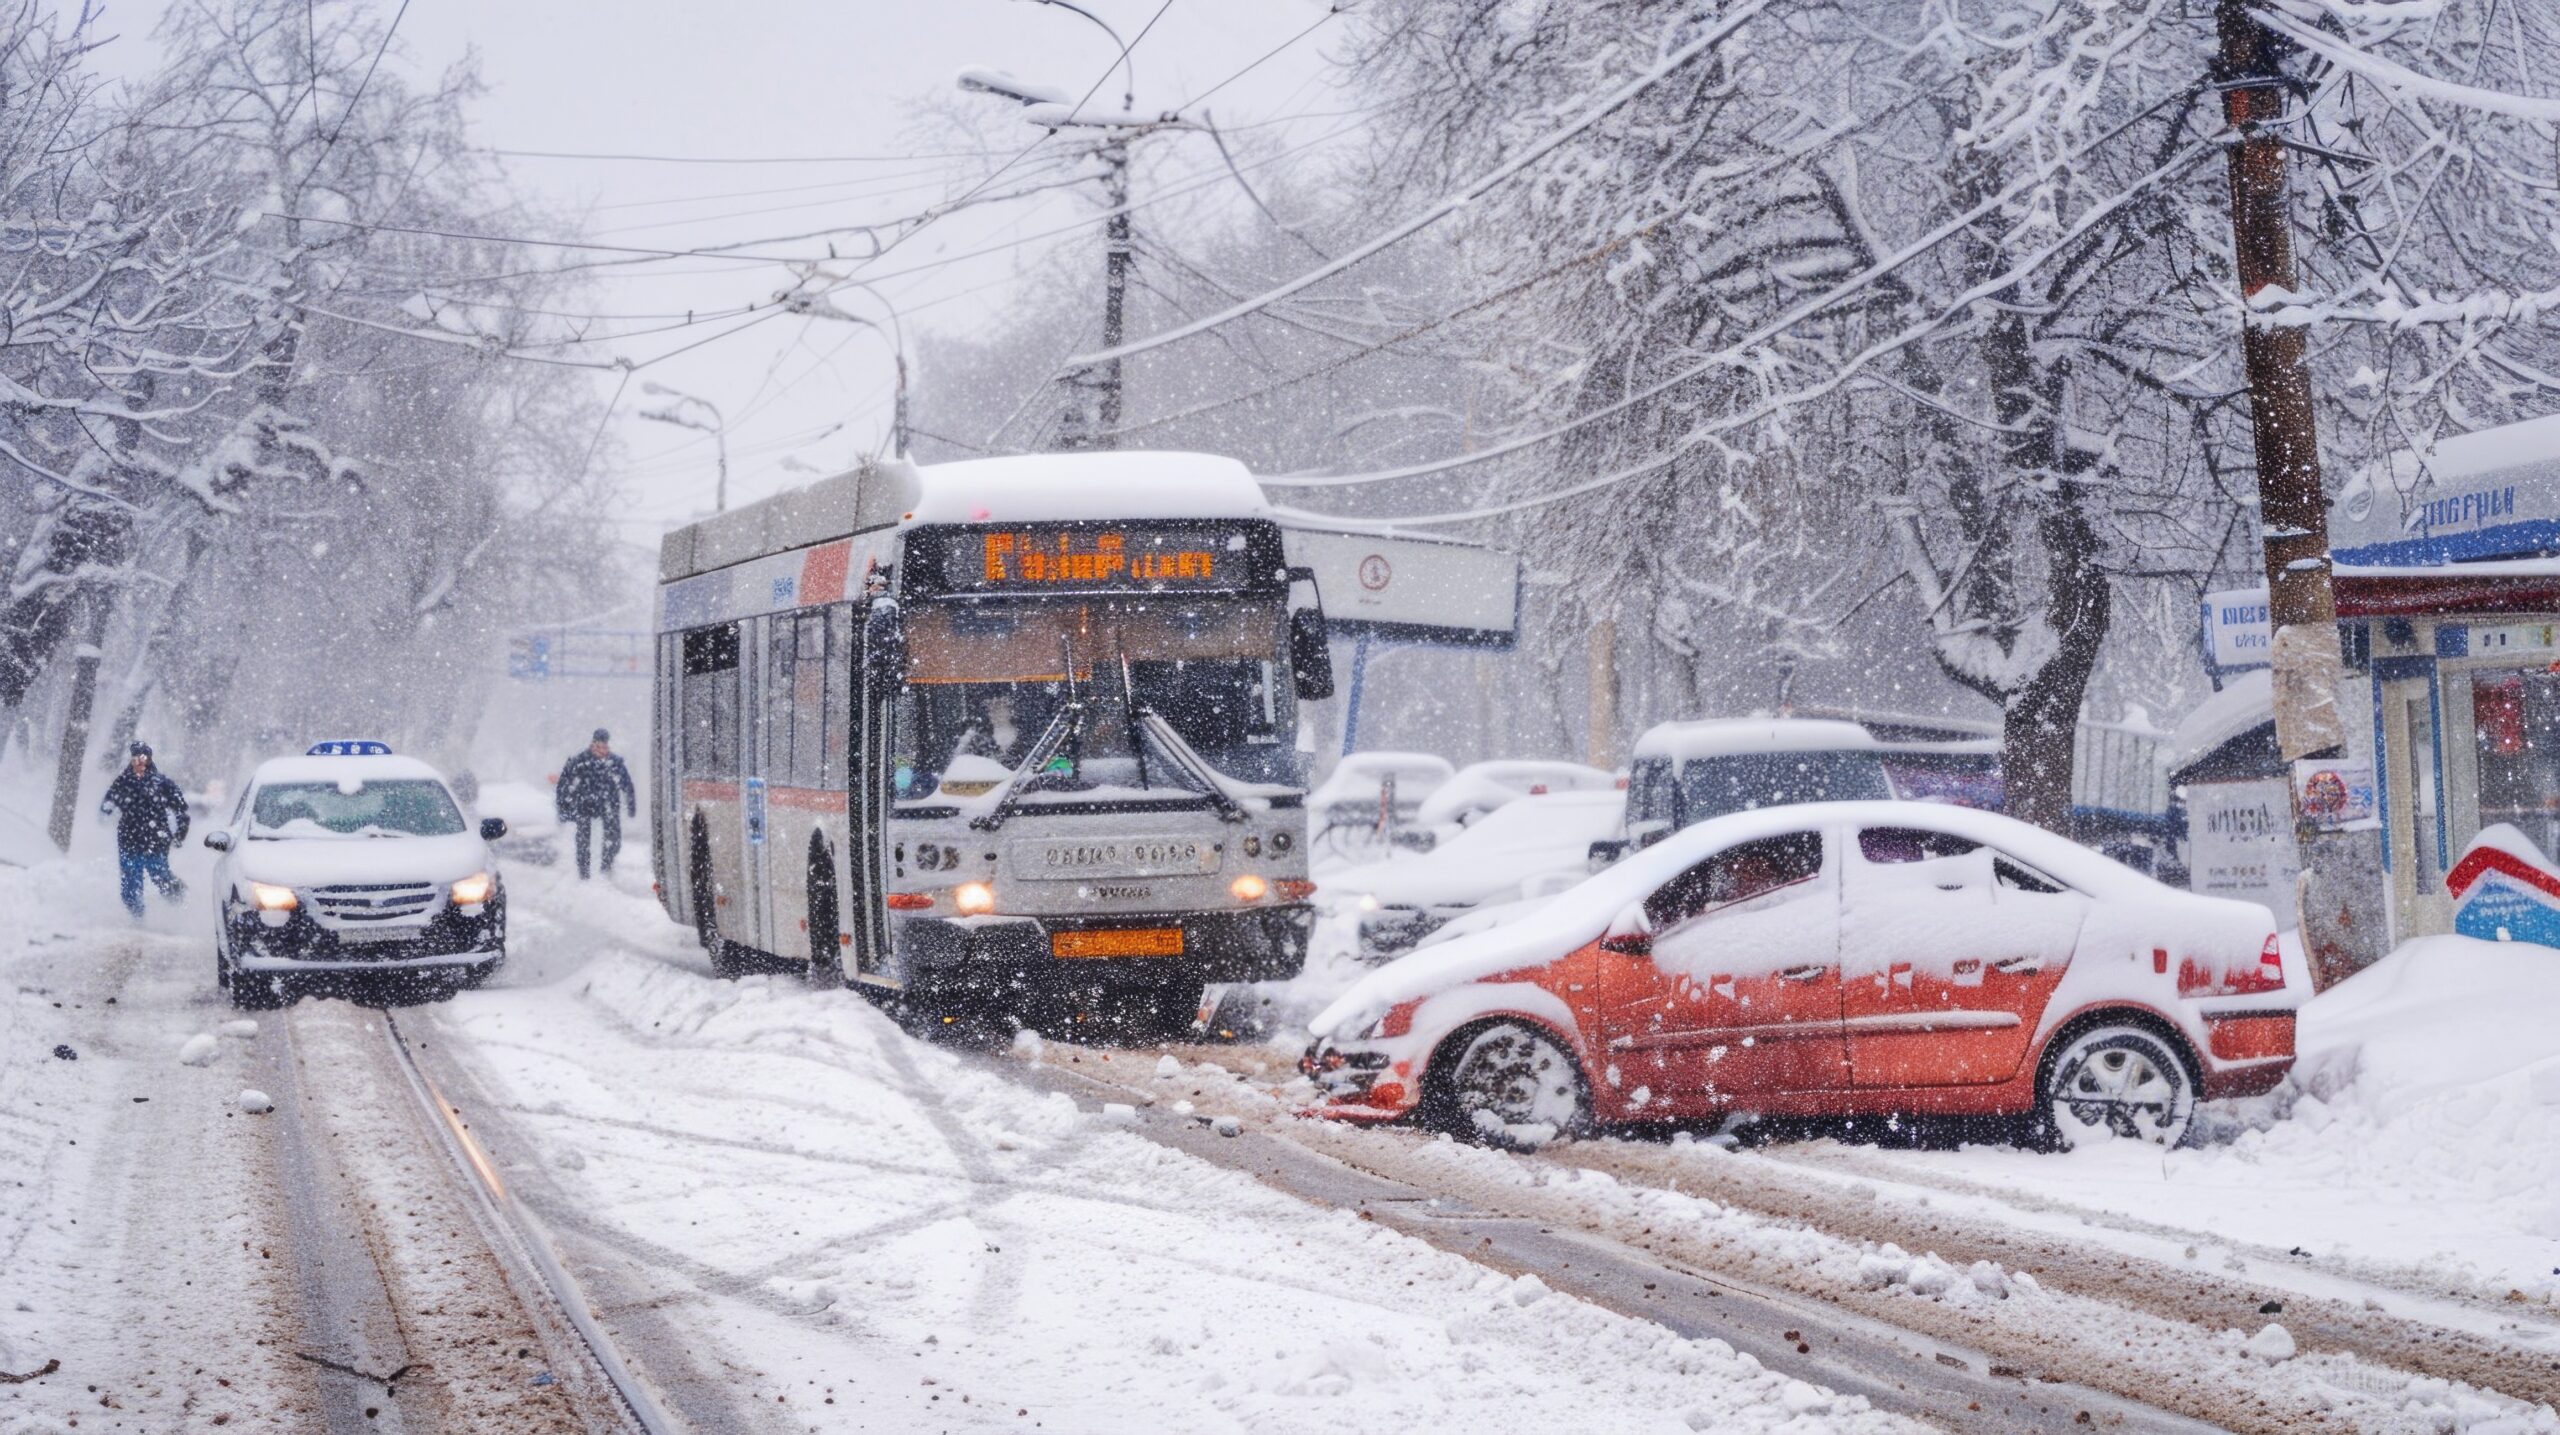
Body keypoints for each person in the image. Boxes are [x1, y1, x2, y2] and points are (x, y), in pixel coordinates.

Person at [100, 742, 188, 918]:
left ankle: (178, 901)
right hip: (129, 840)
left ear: (149, 759)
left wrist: (180, 832)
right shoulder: (123, 782)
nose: (139, 761)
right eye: (136, 758)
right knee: (131, 882)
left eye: (143, 757)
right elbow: (108, 803)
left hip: (156, 840)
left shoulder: (162, 783)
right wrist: (107, 811)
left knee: (160, 875)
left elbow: (180, 809)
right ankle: (136, 918)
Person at [556, 728, 637, 880]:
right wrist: (564, 807)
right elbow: (564, 784)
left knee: (613, 837)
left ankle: (606, 867)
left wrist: (631, 806)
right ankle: (584, 872)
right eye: (597, 746)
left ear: (608, 746)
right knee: (583, 839)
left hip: (609, 803)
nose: (601, 750)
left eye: (604, 747)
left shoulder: (615, 763)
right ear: (592, 745)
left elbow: (627, 785)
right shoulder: (580, 761)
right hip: (584, 804)